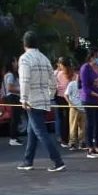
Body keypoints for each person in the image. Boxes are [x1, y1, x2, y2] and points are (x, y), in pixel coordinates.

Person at [17, 31, 66, 172]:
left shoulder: (25, 58)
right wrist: (50, 95)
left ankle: (58, 161)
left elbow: (24, 80)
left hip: (32, 100)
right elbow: (53, 80)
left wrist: (23, 98)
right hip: (44, 100)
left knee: (40, 132)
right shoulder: (44, 58)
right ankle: (28, 160)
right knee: (32, 130)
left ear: (24, 43)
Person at [80, 47, 98, 159]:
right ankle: (90, 146)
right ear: (91, 56)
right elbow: (85, 87)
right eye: (97, 56)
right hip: (89, 99)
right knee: (90, 122)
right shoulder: (85, 68)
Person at [54, 56, 75, 148]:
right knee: (69, 119)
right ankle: (71, 139)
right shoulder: (74, 74)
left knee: (62, 119)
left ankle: (64, 139)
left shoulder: (58, 74)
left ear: (62, 65)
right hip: (70, 98)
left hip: (60, 98)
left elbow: (55, 86)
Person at [65, 66, 86, 151]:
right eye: (78, 75)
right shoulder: (72, 84)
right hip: (74, 108)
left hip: (83, 108)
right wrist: (71, 104)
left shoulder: (84, 85)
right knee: (73, 126)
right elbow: (66, 95)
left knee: (82, 126)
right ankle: (72, 143)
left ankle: (82, 142)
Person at [3, 56, 23, 146]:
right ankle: (13, 138)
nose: (17, 64)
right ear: (12, 63)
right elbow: (10, 88)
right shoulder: (10, 75)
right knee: (15, 118)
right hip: (13, 97)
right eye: (15, 62)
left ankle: (15, 137)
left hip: (14, 97)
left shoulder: (12, 74)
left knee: (17, 117)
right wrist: (21, 90)